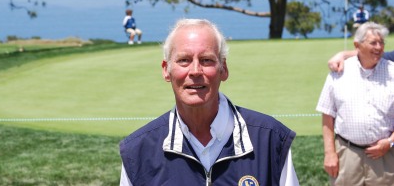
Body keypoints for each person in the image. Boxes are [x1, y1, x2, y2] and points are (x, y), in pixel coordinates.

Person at [119, 18, 299, 185]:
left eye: (206, 60)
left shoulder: (271, 140)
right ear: (166, 70)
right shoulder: (137, 152)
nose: (195, 71)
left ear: (224, 69)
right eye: (184, 60)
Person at [316, 22, 394, 185]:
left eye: (382, 43)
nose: (379, 47)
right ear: (357, 45)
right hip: (347, 154)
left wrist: (390, 141)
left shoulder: (392, 71)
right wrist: (329, 153)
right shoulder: (338, 73)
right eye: (373, 43)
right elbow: (327, 115)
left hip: (385, 156)